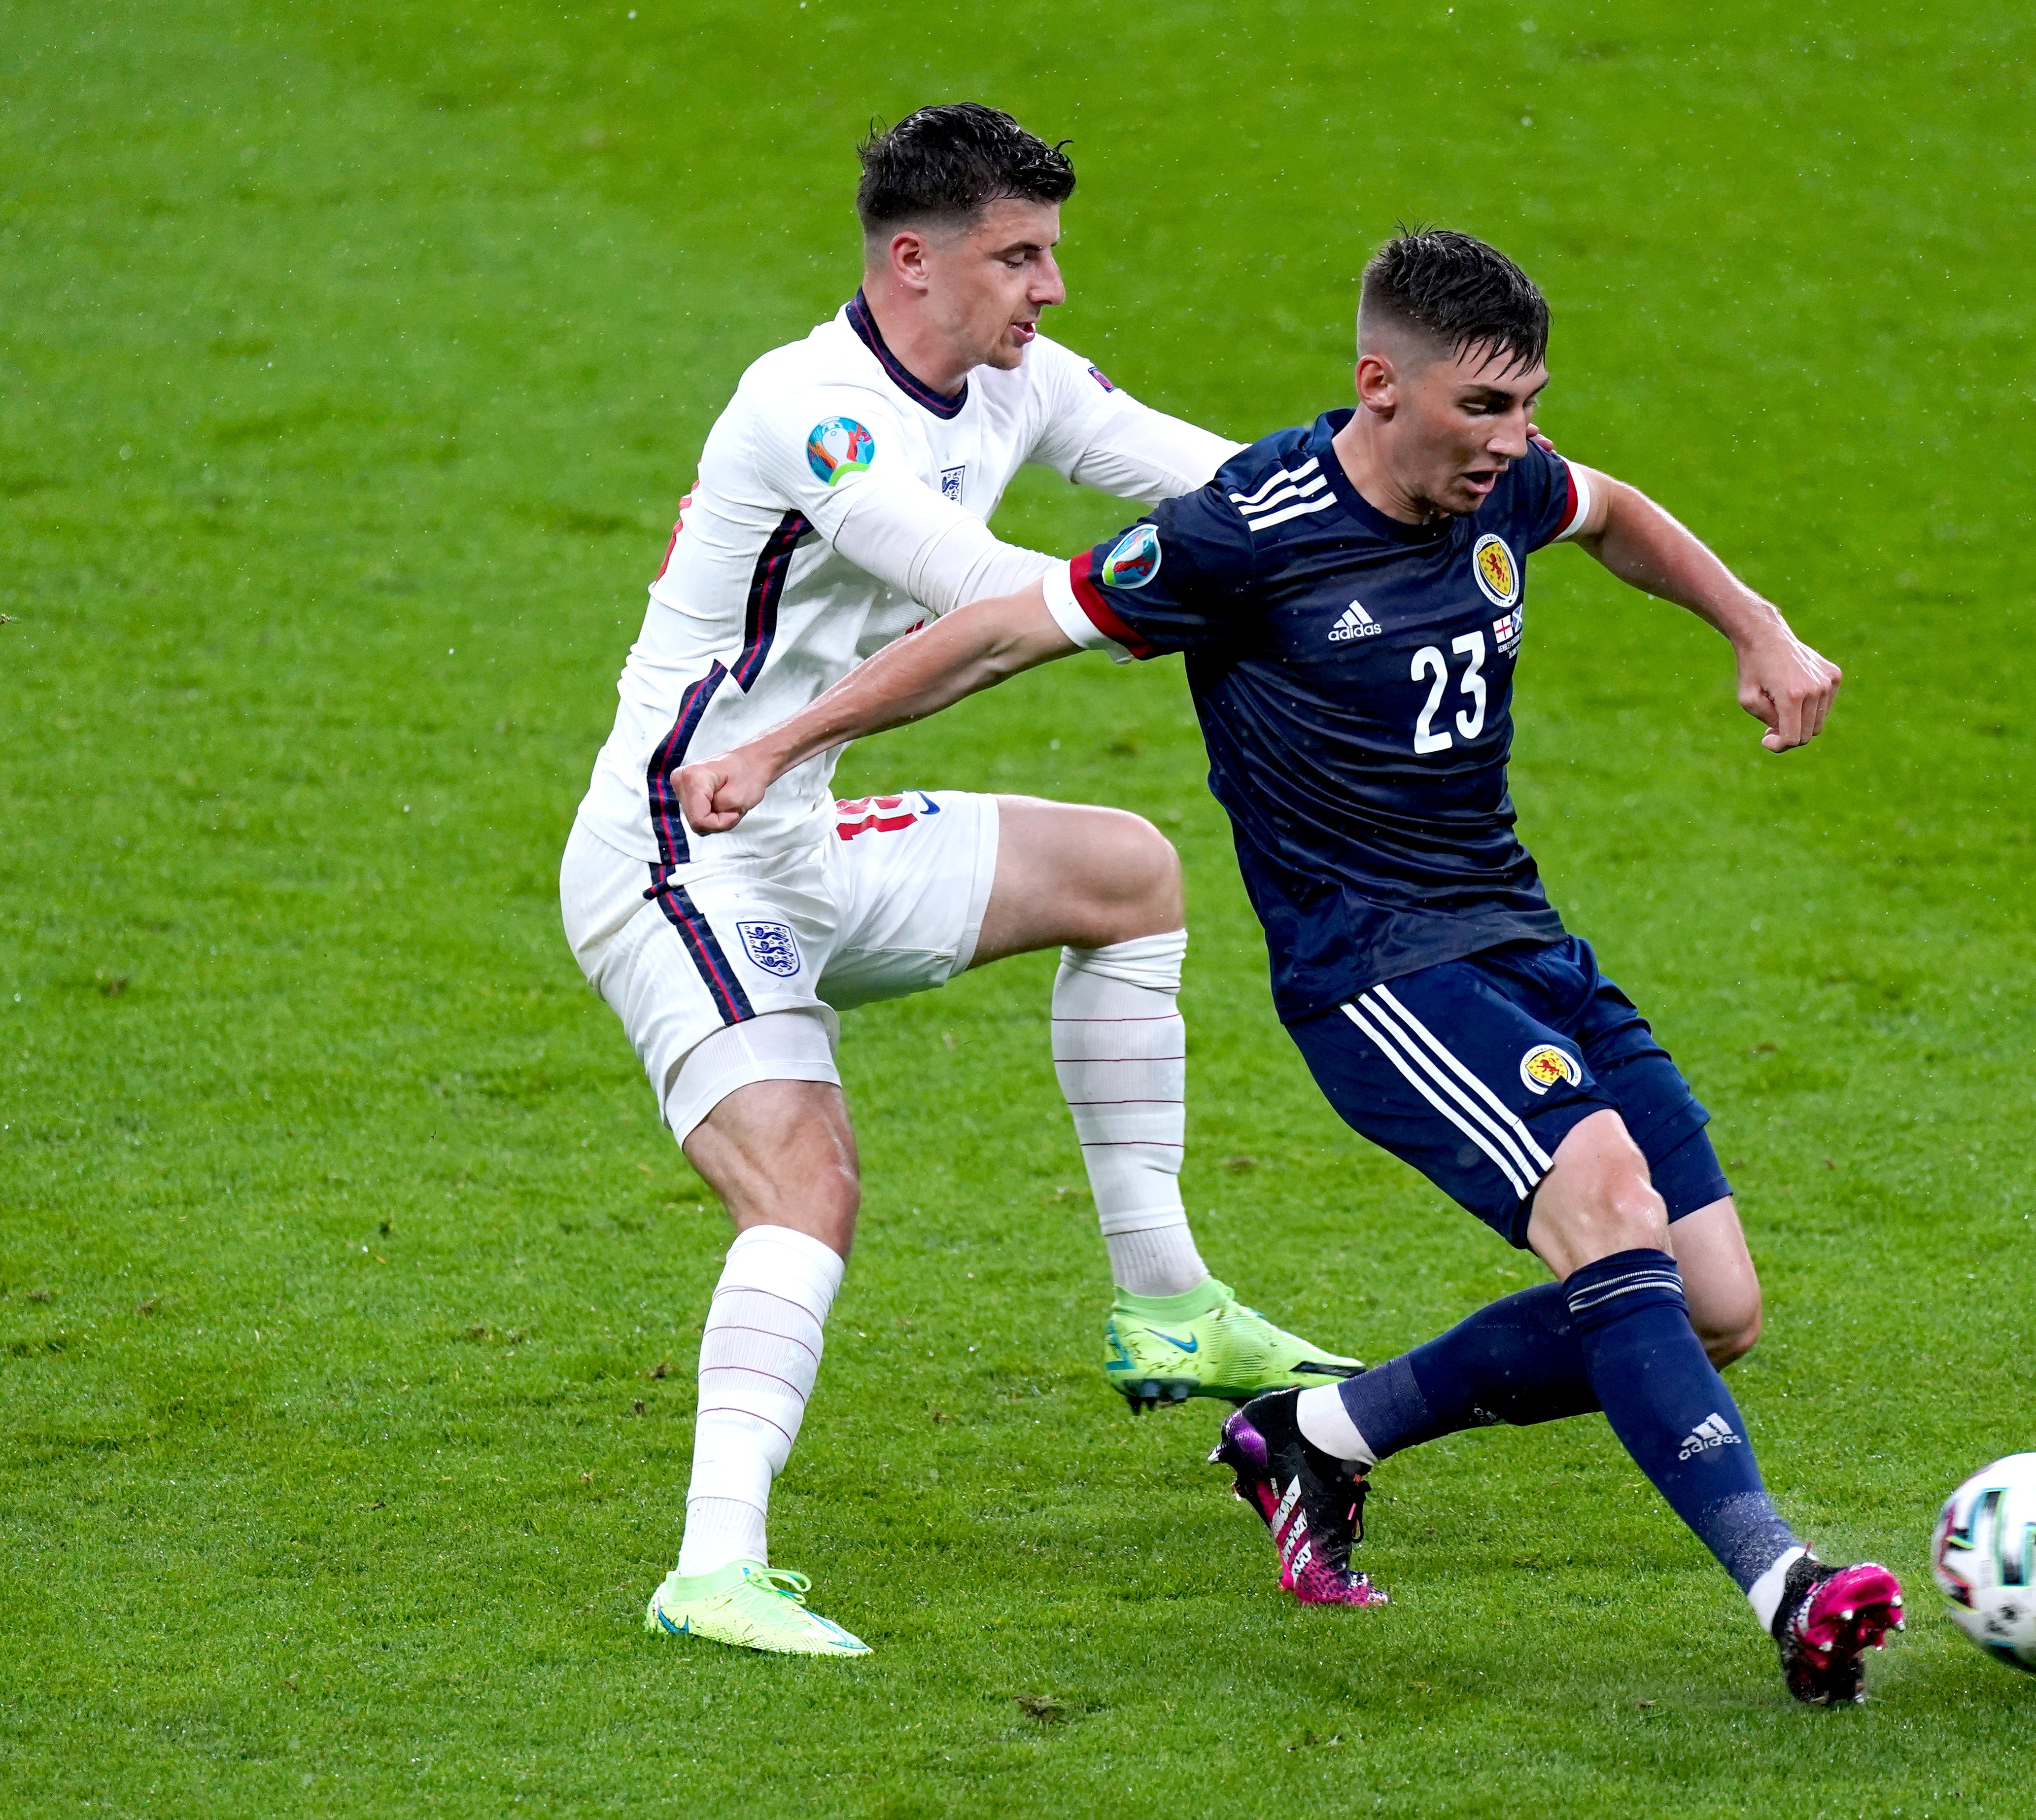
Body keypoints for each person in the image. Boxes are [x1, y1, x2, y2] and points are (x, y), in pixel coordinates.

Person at [668, 229, 1902, 1703]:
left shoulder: (1505, 477)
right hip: (1376, 971)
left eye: (1526, 406)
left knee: (1713, 1307)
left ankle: (1324, 1433)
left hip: (1520, 933)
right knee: (1612, 1215)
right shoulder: (1244, 533)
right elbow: (1003, 633)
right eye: (1484, 411)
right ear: (1381, 385)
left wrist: (1753, 623)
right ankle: (1786, 1579)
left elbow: (1613, 509)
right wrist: (778, 745)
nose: (1517, 444)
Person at [561, 103, 1358, 1659]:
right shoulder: (811, 407)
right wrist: (1188, 591)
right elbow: (970, 586)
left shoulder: (1017, 380)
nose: (1050, 287)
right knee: (810, 1182)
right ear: (914, 261)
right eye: (1021, 256)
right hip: (680, 856)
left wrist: (1386, 491)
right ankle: (711, 1565)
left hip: (801, 832)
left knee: (1126, 873)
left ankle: (1169, 1303)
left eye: (1051, 252)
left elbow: (1221, 484)